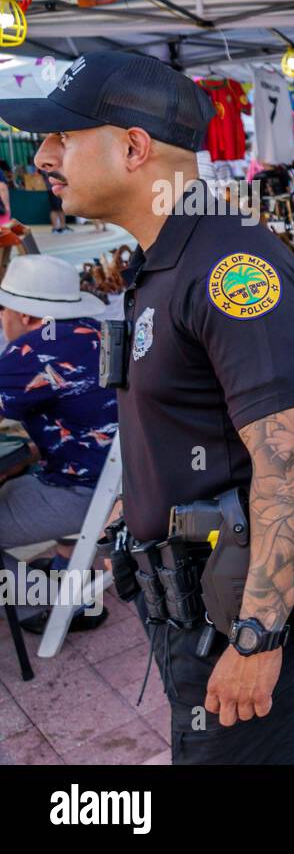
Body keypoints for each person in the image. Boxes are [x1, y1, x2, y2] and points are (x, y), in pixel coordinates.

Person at [0, 51, 294, 764]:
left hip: (234, 620)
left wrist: (257, 638)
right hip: (187, 608)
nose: (45, 158)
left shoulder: (234, 270)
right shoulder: (163, 258)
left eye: (61, 137)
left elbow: (293, 464)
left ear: (133, 147)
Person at [0, 254, 116, 631]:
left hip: (86, 492)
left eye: (5, 310)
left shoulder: (29, 352)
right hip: (127, 483)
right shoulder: (96, 329)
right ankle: (69, 572)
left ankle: (48, 606)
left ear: (29, 318)